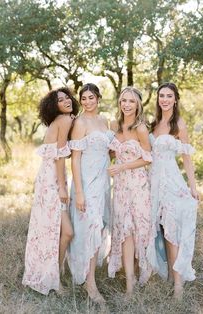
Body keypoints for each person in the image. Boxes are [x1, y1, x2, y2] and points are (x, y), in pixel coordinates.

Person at [22, 87, 79, 295]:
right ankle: (54, 276)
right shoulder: (63, 121)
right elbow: (60, 156)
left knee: (53, 229)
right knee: (65, 231)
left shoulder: (61, 121)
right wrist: (62, 187)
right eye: (60, 100)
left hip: (47, 178)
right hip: (52, 182)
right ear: (53, 106)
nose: (66, 101)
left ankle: (55, 269)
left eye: (67, 98)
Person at [147, 82, 199, 299]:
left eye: (169, 96)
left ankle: (178, 284)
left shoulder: (178, 123)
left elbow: (186, 157)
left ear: (175, 99)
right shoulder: (154, 123)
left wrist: (193, 186)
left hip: (170, 181)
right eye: (161, 95)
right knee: (159, 229)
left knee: (171, 230)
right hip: (153, 181)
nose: (164, 99)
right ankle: (168, 272)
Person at [68, 83, 113, 304]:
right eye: (83, 98)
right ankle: (90, 284)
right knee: (91, 226)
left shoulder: (105, 121)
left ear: (98, 98)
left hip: (103, 180)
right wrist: (79, 191)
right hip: (85, 182)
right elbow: (75, 158)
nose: (87, 102)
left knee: (99, 226)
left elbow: (109, 151)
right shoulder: (80, 122)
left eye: (91, 97)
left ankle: (90, 275)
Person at [108, 86, 153, 297]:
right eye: (123, 100)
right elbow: (109, 152)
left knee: (138, 230)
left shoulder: (141, 128)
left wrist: (122, 166)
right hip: (120, 186)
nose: (126, 105)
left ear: (138, 105)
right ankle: (129, 284)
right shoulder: (114, 126)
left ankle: (140, 270)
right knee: (124, 231)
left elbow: (147, 158)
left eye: (131, 101)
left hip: (138, 185)